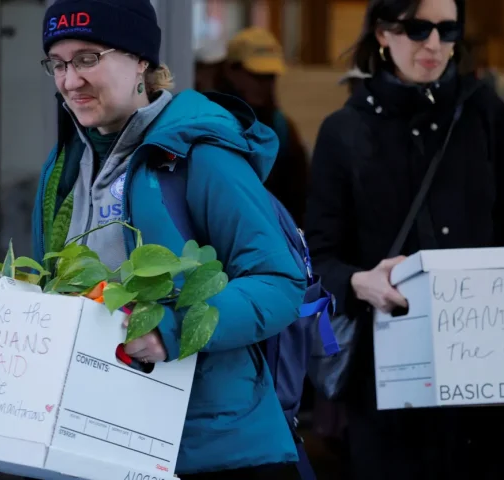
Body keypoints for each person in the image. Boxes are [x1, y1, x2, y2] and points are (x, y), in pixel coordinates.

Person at [31, 1, 305, 478]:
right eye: (58, 63)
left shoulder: (200, 155)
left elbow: (279, 282)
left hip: (213, 449)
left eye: (88, 58)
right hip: (102, 437)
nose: (70, 80)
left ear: (141, 60)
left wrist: (170, 329)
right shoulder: (61, 168)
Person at [304, 0, 504, 479]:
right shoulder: (346, 131)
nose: (434, 44)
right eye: (418, 29)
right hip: (394, 376)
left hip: (489, 371)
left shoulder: (483, 112)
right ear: (383, 33)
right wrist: (361, 282)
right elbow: (318, 256)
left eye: (447, 29)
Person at [216, 27, 310, 227]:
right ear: (231, 70)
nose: (264, 85)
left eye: (270, 77)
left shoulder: (282, 129)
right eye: (256, 75)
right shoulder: (210, 122)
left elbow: (299, 199)